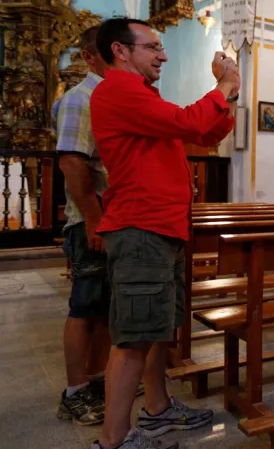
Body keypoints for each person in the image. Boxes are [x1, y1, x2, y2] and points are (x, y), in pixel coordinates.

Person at [88, 17, 240, 449]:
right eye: (153, 47)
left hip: (161, 226)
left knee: (155, 329)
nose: (163, 54)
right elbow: (190, 123)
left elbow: (203, 134)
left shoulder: (141, 95)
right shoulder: (117, 89)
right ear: (121, 50)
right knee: (135, 337)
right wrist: (223, 86)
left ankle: (157, 410)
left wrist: (228, 97)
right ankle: (113, 441)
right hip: (142, 226)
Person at [53, 25, 112, 426]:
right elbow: (73, 164)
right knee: (85, 306)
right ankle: (74, 390)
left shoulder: (110, 97)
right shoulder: (80, 99)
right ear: (93, 56)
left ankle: (99, 379)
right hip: (90, 220)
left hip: (113, 219)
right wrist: (93, 221)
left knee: (106, 309)